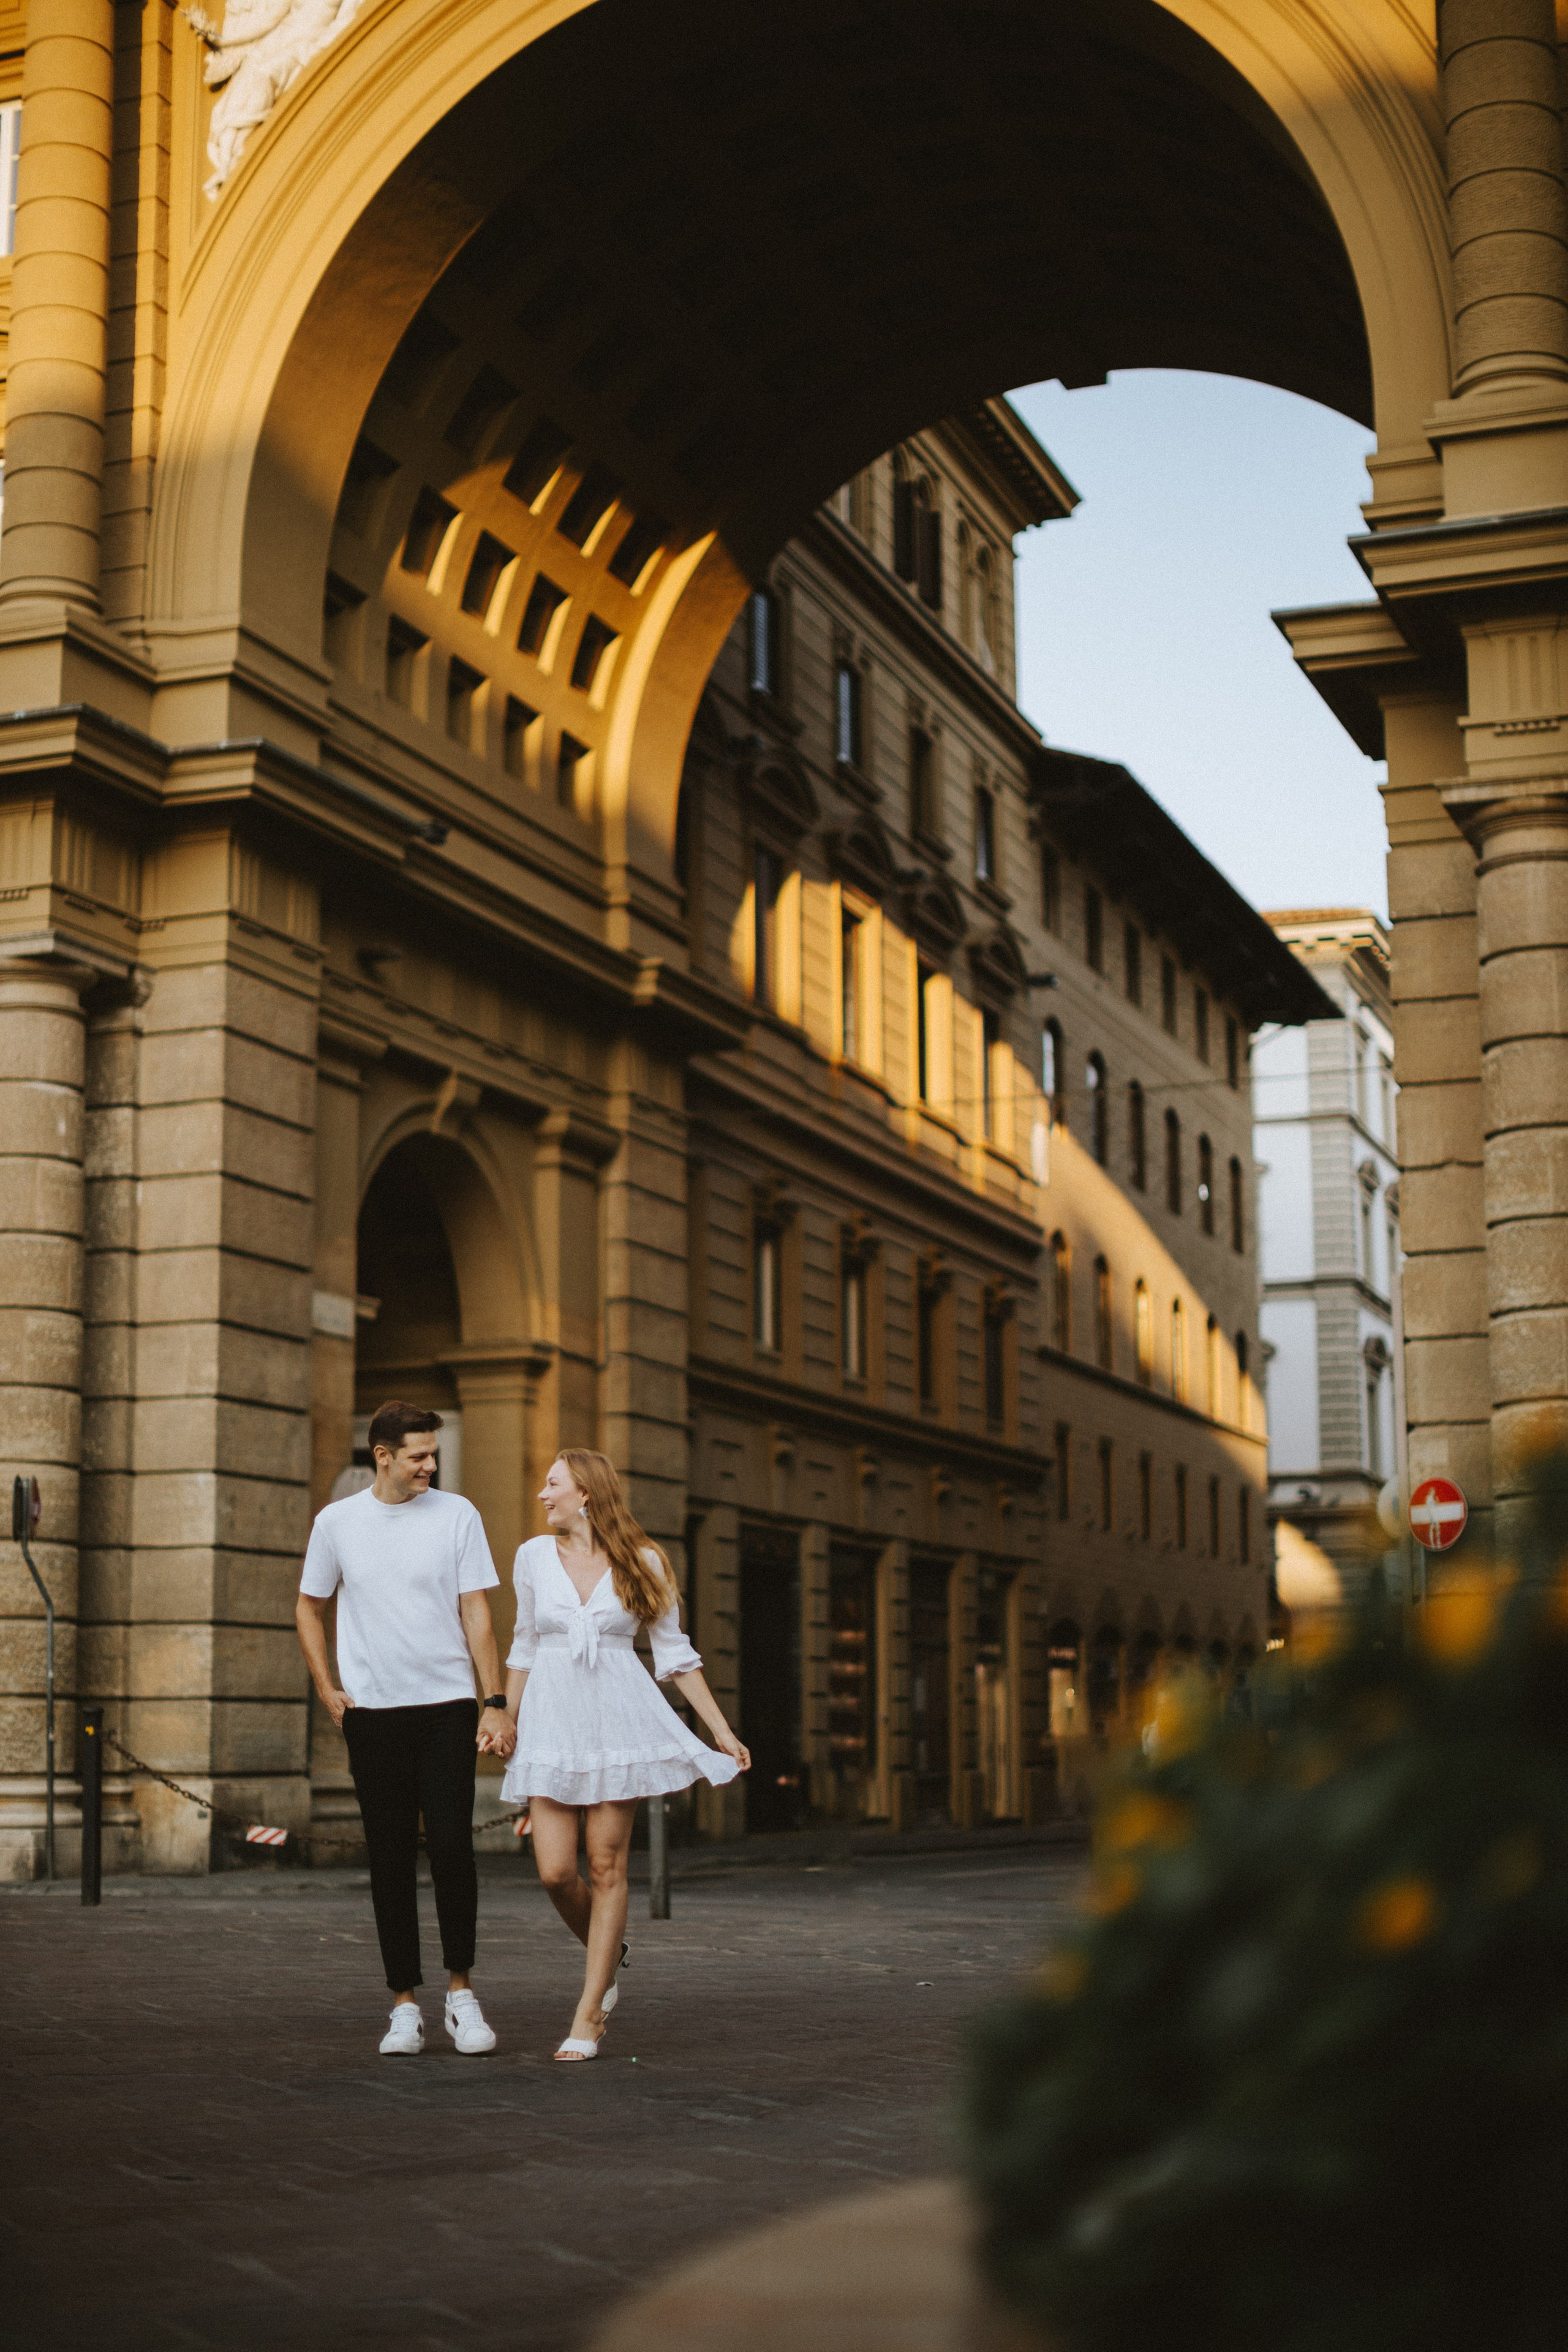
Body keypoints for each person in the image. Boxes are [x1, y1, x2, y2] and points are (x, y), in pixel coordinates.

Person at [480, 1449, 750, 2059]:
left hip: (617, 1723)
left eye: (553, 1485)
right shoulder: (530, 1557)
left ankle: (591, 2010)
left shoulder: (644, 1561)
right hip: (551, 1722)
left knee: (606, 1867)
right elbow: (524, 1644)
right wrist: (504, 1716)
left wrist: (720, 1732)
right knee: (554, 1871)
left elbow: (675, 1655)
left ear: (586, 1495)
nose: (543, 1495)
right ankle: (610, 1950)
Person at [296, 1400, 513, 2057]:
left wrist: (494, 1699)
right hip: (374, 1715)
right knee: (389, 1858)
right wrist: (327, 1686)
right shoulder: (337, 1523)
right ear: (382, 1456)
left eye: (434, 1452)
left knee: (452, 1848)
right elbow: (308, 1609)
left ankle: (461, 1996)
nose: (431, 1464)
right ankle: (403, 2005)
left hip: (447, 1706)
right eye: (418, 1454)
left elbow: (476, 1613)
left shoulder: (457, 1515)